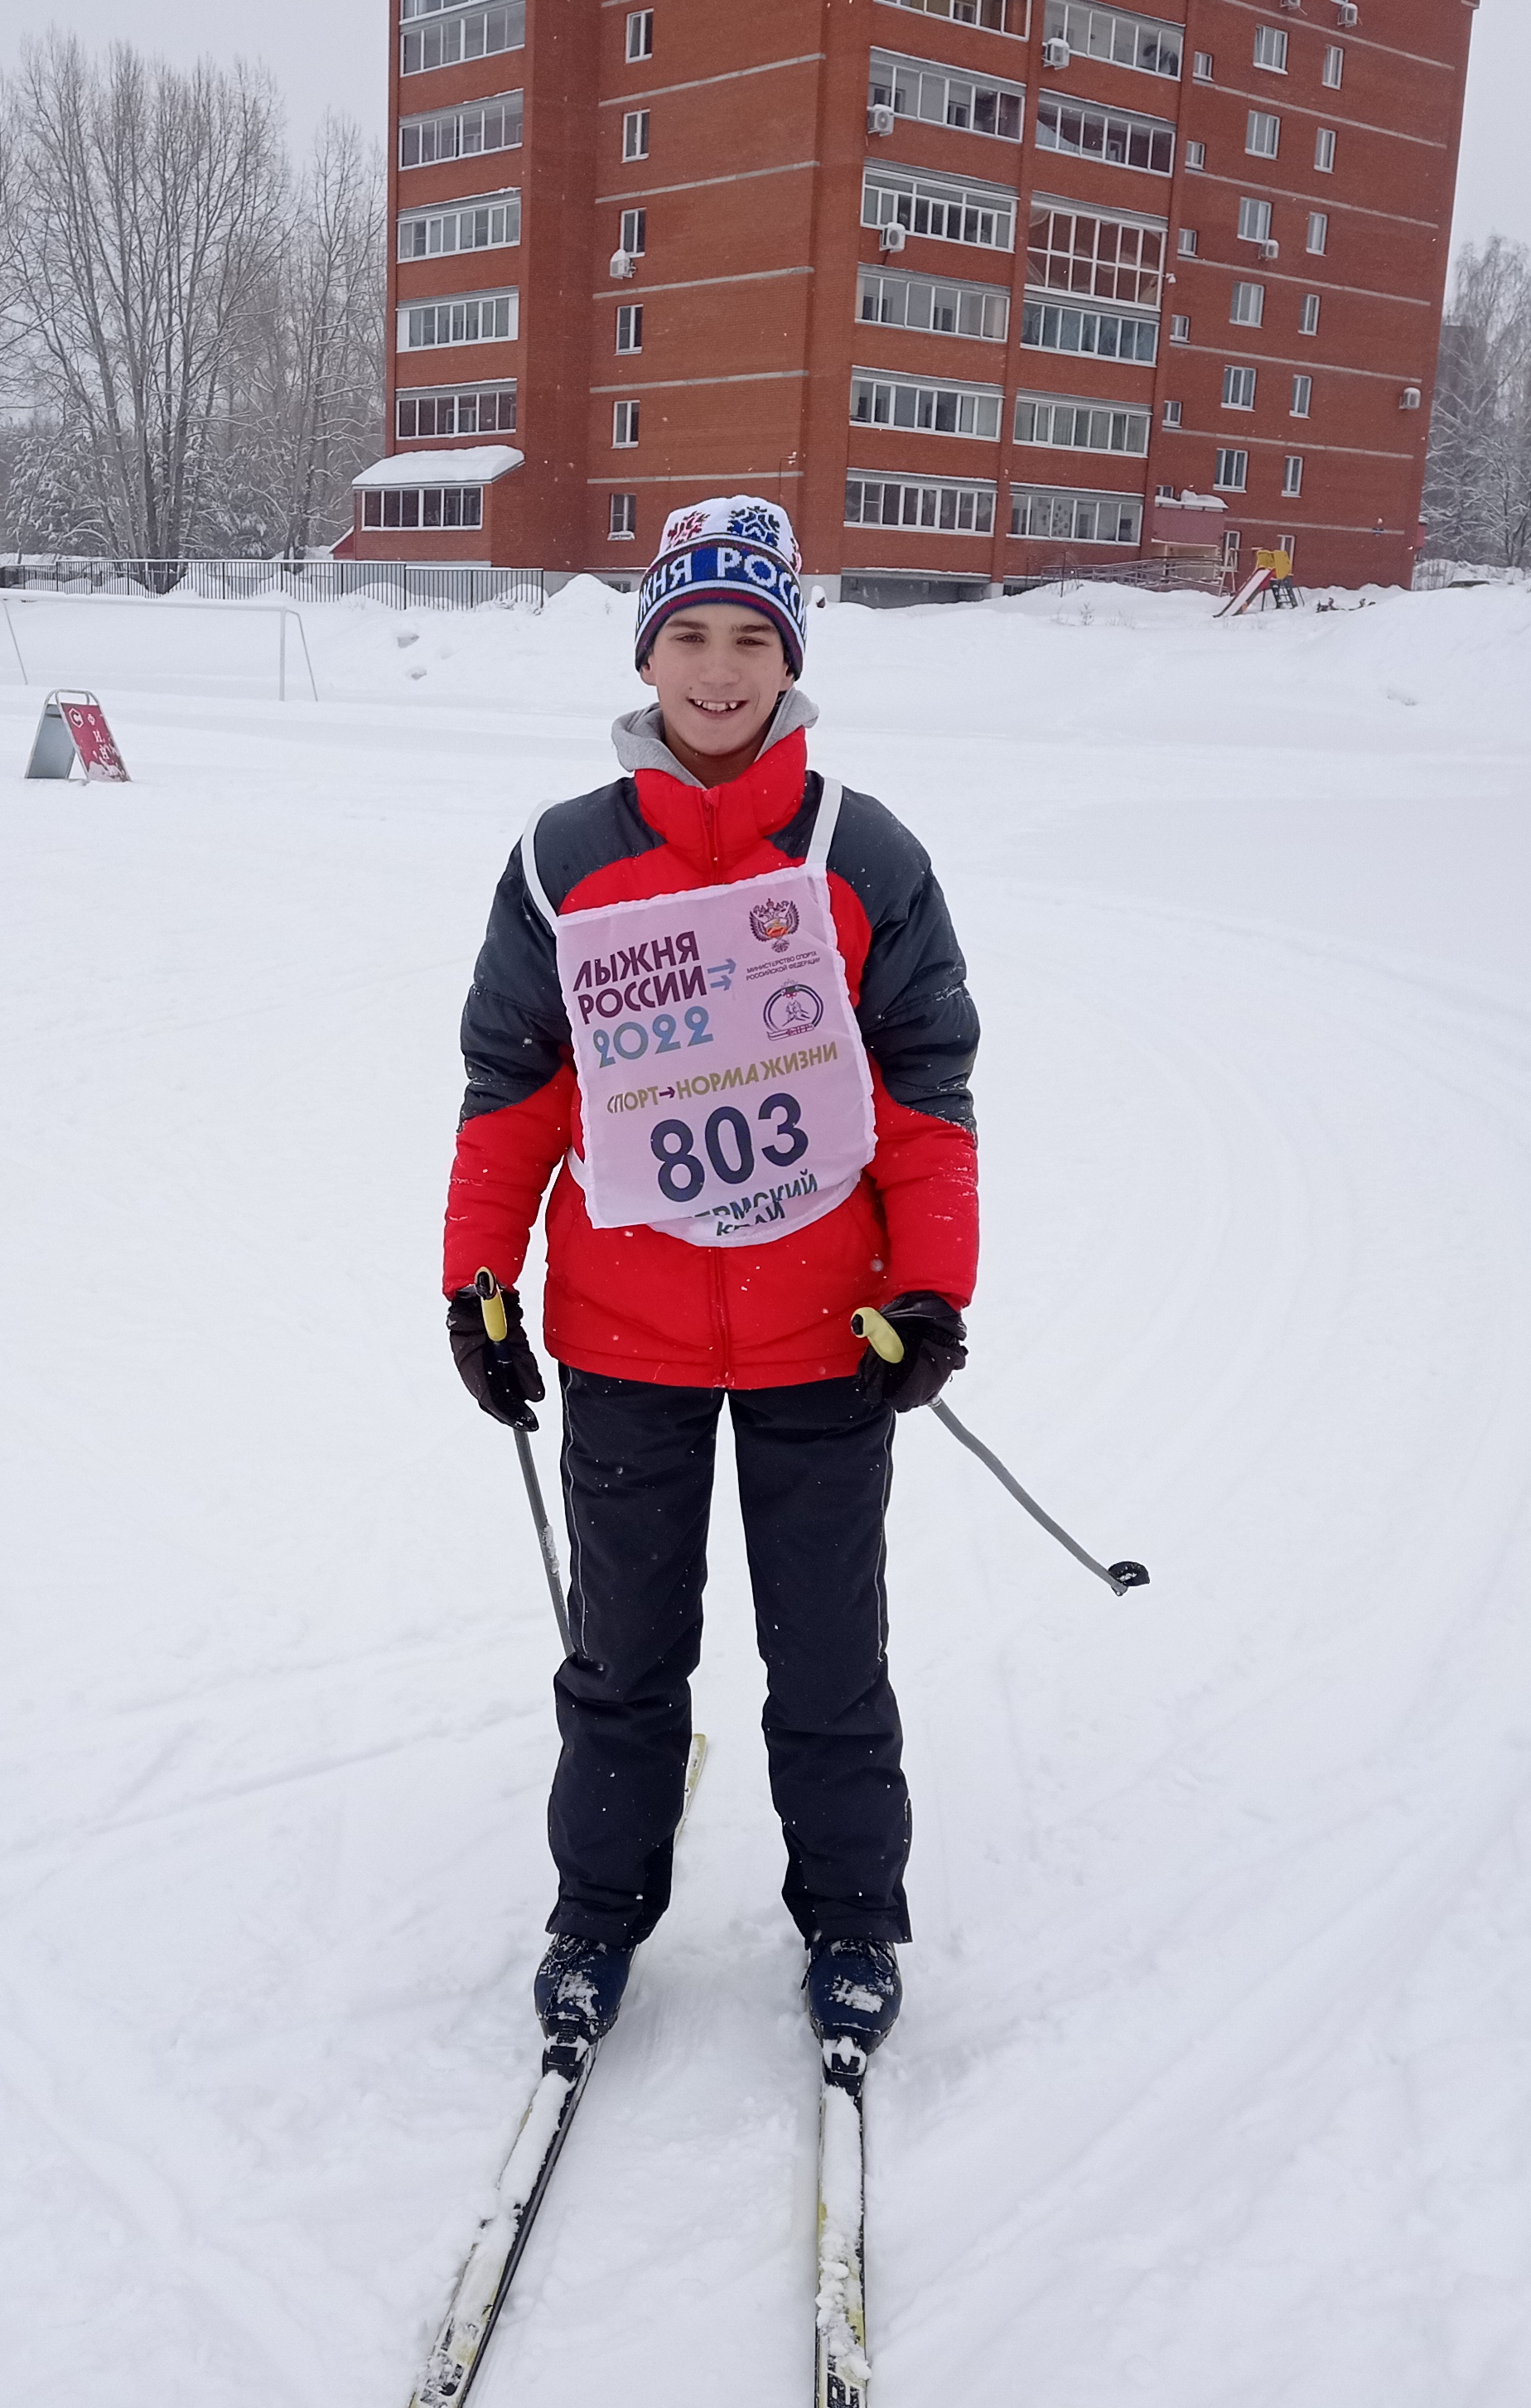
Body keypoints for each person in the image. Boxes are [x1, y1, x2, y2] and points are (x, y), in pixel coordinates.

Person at [440, 495, 980, 2073]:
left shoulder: (862, 853)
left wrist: (932, 1290)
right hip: (629, 1341)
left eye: (752, 637)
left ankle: (854, 1922)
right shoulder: (566, 860)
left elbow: (926, 1095)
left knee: (825, 1653)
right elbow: (513, 1092)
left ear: (792, 656)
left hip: (831, 1338)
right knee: (624, 1656)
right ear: (648, 652)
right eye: (691, 634)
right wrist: (476, 1282)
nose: (721, 668)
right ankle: (595, 1916)